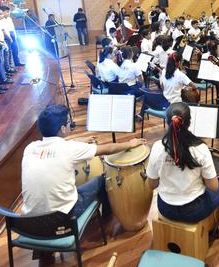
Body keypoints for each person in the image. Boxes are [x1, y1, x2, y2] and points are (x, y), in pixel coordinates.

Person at [21, 104, 145, 257]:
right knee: (101, 180)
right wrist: (130, 144)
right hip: (63, 219)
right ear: (63, 129)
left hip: (31, 223)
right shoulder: (69, 149)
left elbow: (59, 146)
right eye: (68, 123)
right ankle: (107, 219)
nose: (69, 126)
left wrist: (80, 140)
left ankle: (43, 252)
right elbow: (107, 149)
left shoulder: (30, 148)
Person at [146, 103, 219, 230]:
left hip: (165, 207)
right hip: (194, 211)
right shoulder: (200, 149)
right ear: (189, 123)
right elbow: (214, 187)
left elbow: (152, 185)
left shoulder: (156, 147)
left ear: (167, 122)